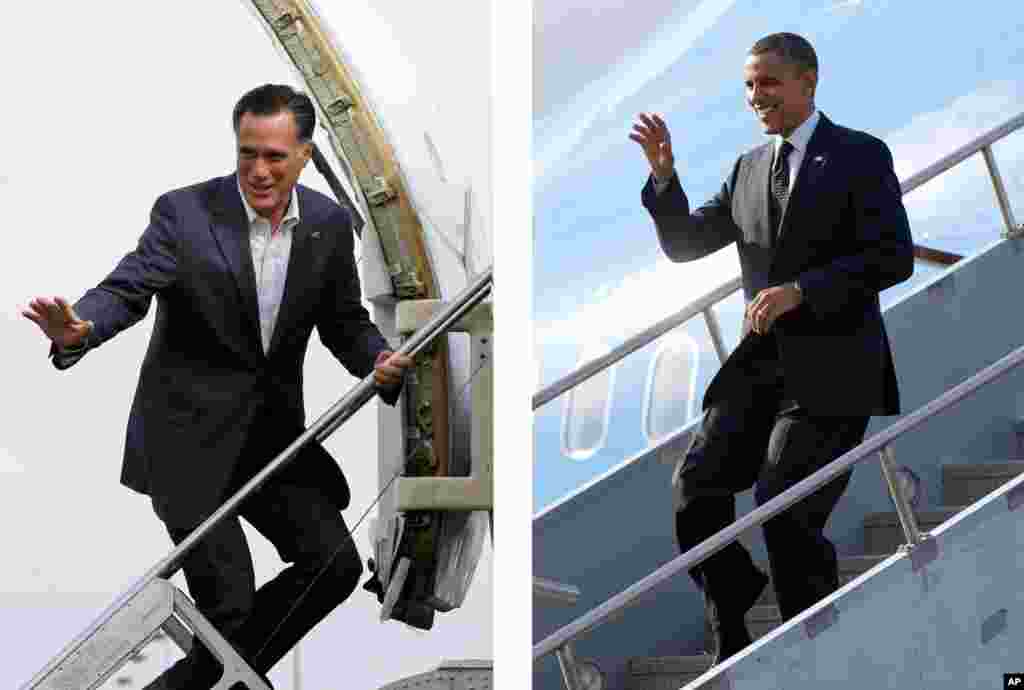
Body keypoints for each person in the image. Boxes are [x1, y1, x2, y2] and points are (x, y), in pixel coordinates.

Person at [22, 84, 414, 688]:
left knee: (333, 566)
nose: (259, 171)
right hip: (187, 445)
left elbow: (344, 323)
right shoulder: (185, 215)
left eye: (275, 156)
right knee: (228, 607)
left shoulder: (328, 226)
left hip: (271, 442)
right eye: (246, 153)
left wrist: (377, 359)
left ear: (305, 155)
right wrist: (81, 329)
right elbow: (126, 289)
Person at [631, 33, 913, 665]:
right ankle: (732, 607)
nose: (756, 96)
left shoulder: (860, 155)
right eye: (749, 86)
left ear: (808, 82)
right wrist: (664, 178)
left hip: (834, 370)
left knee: (782, 505)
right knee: (695, 488)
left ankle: (811, 645)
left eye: (768, 83)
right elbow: (684, 244)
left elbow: (892, 257)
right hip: (759, 369)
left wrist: (802, 291)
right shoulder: (747, 169)